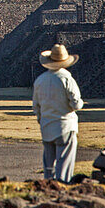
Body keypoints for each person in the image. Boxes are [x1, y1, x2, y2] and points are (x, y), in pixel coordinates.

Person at [32, 43, 83, 183]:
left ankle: (48, 189)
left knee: (49, 166)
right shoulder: (66, 79)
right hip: (65, 125)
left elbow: (35, 106)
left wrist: (42, 119)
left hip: (47, 126)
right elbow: (76, 103)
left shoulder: (40, 80)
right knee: (64, 164)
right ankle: (62, 189)